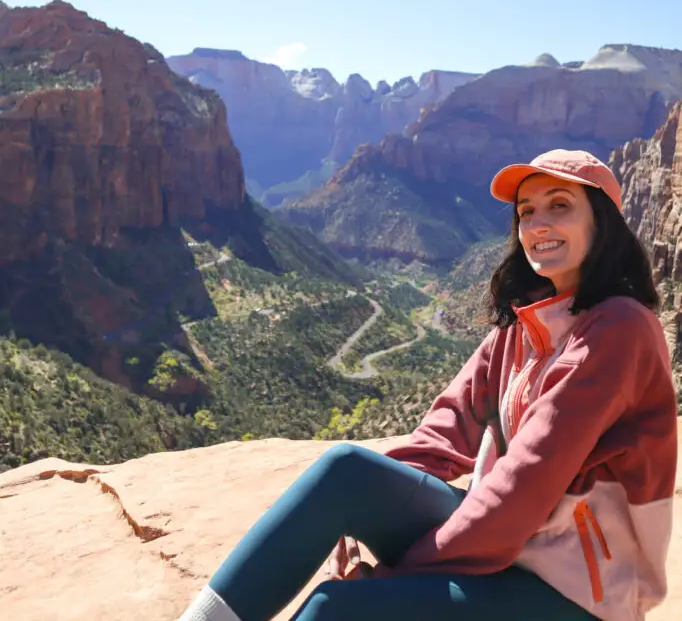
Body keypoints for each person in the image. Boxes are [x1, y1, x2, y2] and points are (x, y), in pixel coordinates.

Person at [178, 149, 678, 621]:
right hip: (519, 546)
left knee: (338, 607)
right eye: (526, 212)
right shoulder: (527, 324)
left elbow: (525, 485)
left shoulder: (620, 329)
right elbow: (445, 426)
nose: (537, 225)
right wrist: (353, 525)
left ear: (603, 224)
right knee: (345, 471)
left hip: (576, 590)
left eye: (560, 206)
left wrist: (402, 567)